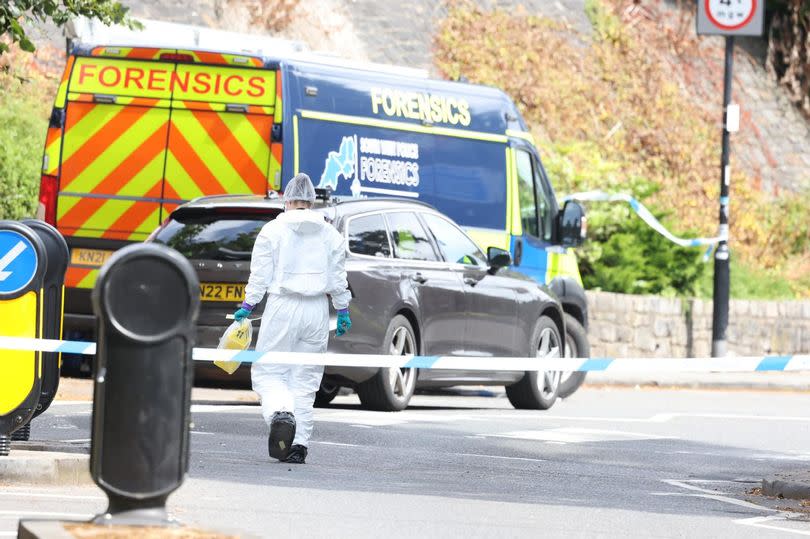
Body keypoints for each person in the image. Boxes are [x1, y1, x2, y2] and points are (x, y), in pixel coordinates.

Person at [233, 173, 352, 464]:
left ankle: (280, 413)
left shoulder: (272, 231)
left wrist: (248, 306)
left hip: (282, 306)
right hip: (316, 311)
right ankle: (298, 444)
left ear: (287, 200)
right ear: (312, 202)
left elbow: (259, 276)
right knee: (306, 379)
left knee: (269, 372)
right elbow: (338, 278)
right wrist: (343, 309)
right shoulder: (330, 234)